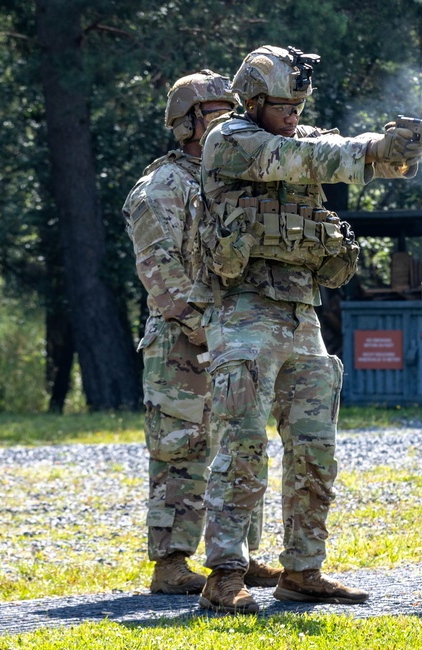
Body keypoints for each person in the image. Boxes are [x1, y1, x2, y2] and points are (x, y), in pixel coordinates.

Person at [191, 45, 422, 614]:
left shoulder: (297, 135)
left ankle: (303, 571)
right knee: (243, 446)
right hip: (244, 311)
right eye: (282, 106)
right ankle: (223, 577)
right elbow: (302, 160)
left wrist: (397, 152)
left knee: (315, 448)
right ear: (252, 100)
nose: (293, 116)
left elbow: (338, 154)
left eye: (299, 106)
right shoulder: (230, 139)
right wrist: (368, 148)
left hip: (301, 312)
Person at [122, 70, 283, 595]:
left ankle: (237, 553)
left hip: (236, 336)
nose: (227, 121)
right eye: (214, 112)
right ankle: (170, 562)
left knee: (242, 444)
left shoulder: (236, 177)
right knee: (181, 448)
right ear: (186, 123)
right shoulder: (160, 189)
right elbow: (161, 275)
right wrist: (209, 328)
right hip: (182, 343)